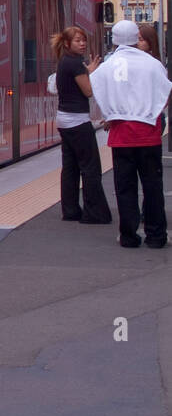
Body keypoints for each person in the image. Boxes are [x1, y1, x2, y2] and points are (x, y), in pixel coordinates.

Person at [91, 19, 172, 248]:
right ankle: (156, 236)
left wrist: (112, 112)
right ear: (135, 36)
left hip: (121, 135)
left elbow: (95, 88)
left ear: (114, 39)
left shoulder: (108, 65)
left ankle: (128, 236)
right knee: (152, 185)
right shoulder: (152, 64)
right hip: (148, 132)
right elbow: (164, 92)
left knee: (125, 187)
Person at [51, 26, 111, 224]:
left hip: (64, 119)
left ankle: (70, 210)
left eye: (84, 40)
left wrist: (89, 71)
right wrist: (92, 73)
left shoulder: (64, 61)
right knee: (90, 166)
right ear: (67, 43)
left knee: (70, 167)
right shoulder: (76, 63)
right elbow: (88, 91)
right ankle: (94, 212)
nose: (83, 43)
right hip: (78, 121)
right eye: (78, 40)